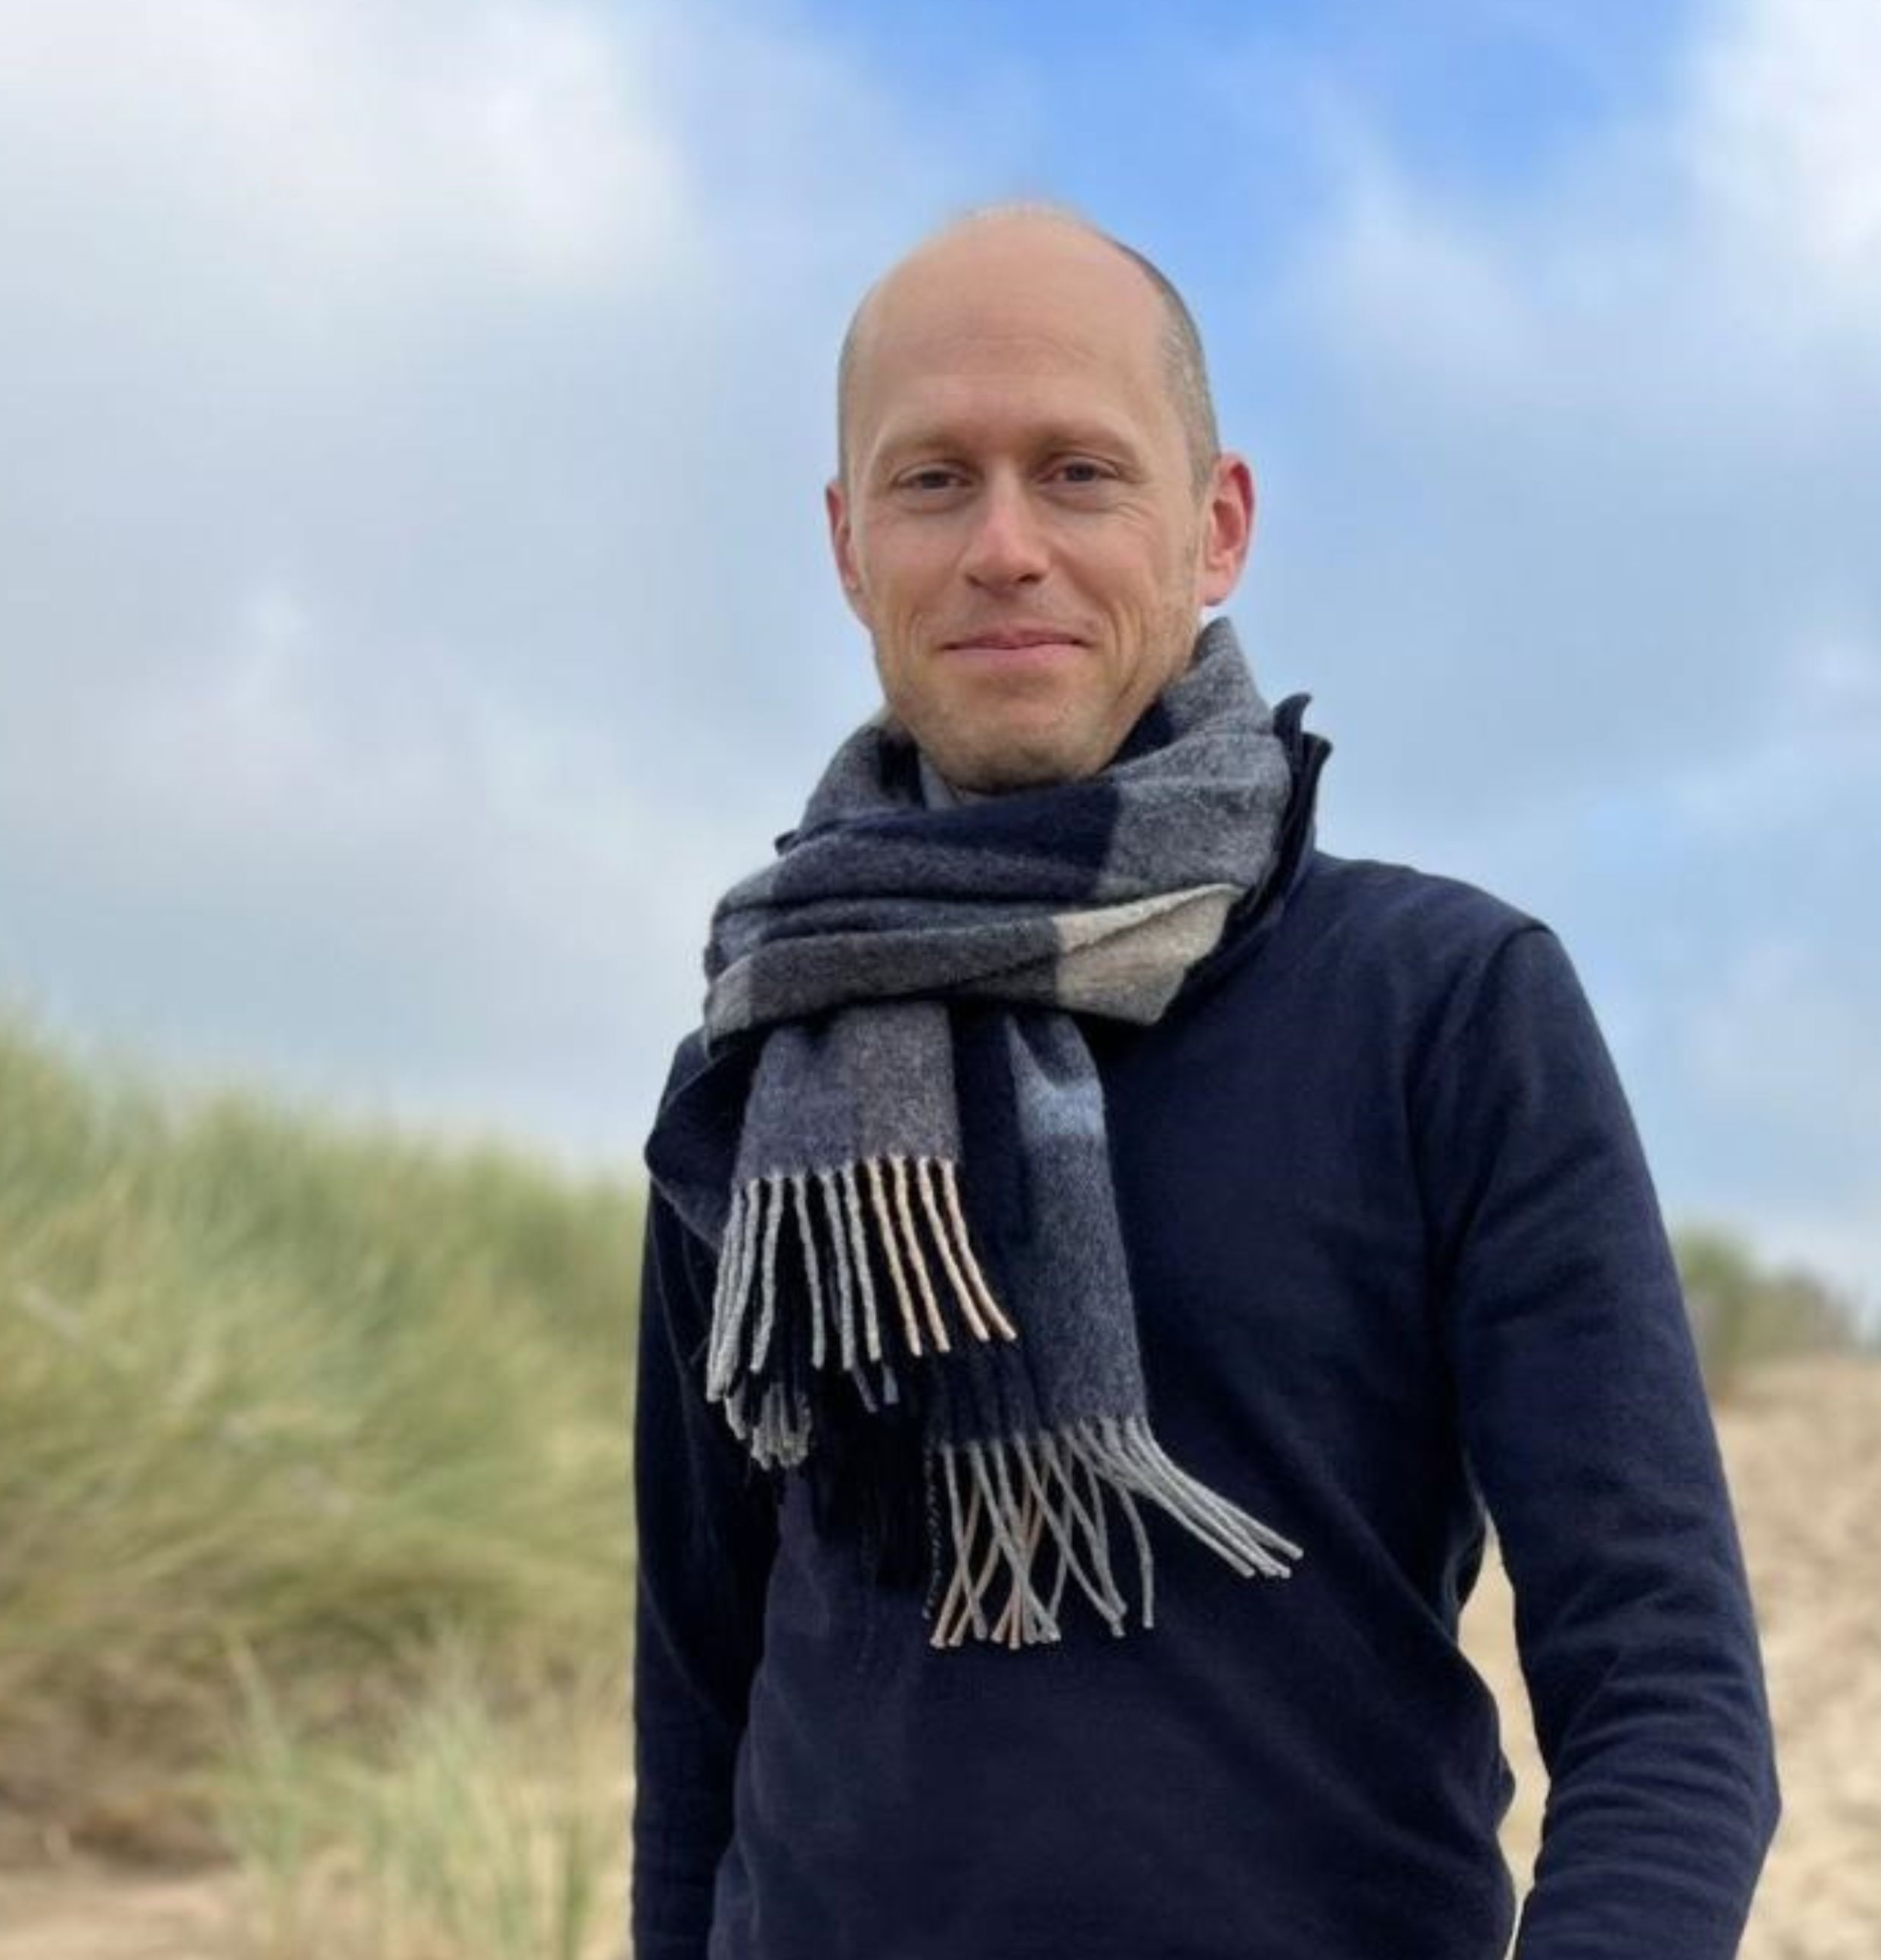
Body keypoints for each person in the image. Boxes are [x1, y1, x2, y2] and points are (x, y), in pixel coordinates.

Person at [630, 203, 1779, 1960]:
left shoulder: (1444, 1006)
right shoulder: (762, 1051)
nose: (1005, 544)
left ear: (1215, 524)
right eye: (935, 481)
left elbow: (1665, 1686)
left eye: (1080, 472)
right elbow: (700, 1689)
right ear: (850, 545)